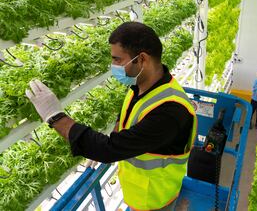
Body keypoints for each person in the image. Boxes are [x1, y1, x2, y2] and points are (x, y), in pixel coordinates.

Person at [26, 22, 197, 211]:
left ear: (142, 59)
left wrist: (56, 117)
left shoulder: (169, 112)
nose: (113, 66)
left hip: (156, 200)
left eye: (117, 59)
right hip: (140, 193)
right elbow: (126, 119)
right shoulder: (142, 86)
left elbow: (109, 150)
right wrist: (95, 144)